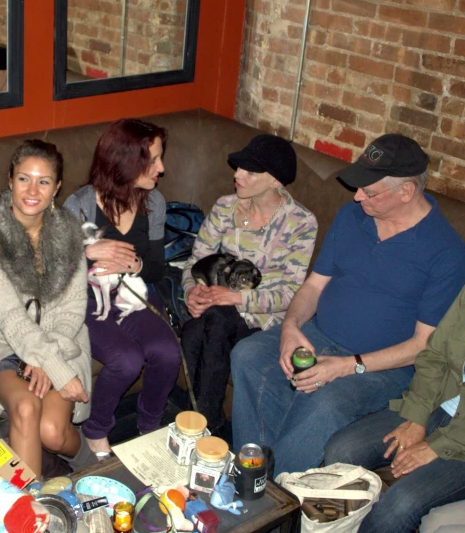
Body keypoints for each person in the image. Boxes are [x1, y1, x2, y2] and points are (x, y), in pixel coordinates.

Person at [231, 134, 465, 476]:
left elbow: (423, 347)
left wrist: (346, 365)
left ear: (406, 192)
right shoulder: (351, 217)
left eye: (369, 192)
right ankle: (252, 472)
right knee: (248, 355)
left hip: (383, 368)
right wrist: (291, 328)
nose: (356, 197)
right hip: (317, 334)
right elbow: (313, 286)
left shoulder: (445, 252)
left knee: (328, 401)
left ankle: (273, 492)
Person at [0, 139, 95, 478]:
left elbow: (72, 310)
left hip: (62, 341)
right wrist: (48, 364)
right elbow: (10, 317)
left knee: (52, 432)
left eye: (44, 181)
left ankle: (94, 468)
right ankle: (32, 512)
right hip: (4, 345)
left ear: (57, 188)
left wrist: (47, 360)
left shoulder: (70, 231)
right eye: (24, 178)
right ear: (10, 180)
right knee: (25, 407)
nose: (32, 190)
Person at [180, 134, 317, 437]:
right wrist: (193, 290)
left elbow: (291, 293)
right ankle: (202, 423)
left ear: (274, 181)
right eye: (239, 167)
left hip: (264, 320)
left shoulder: (301, 223)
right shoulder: (225, 207)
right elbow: (195, 261)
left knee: (213, 321)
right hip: (217, 308)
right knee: (192, 330)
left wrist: (235, 298)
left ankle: (203, 425)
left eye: (249, 171)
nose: (237, 175)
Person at [64, 118, 181, 457]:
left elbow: (158, 267)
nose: (162, 168)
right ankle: (96, 429)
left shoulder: (153, 203)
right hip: (86, 300)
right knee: (125, 359)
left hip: (133, 295)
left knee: (167, 351)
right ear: (125, 161)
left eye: (160, 158)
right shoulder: (81, 206)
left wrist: (138, 266)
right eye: (153, 160)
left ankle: (149, 425)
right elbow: (55, 273)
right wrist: (85, 252)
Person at [324, 286, 465, 533]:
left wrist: (437, 446)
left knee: (400, 504)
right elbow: (435, 355)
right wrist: (418, 417)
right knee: (343, 449)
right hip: (440, 402)